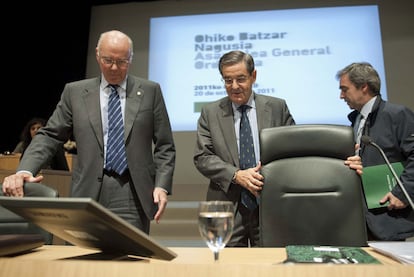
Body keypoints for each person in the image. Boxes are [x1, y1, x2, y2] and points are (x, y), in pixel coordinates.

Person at [2, 30, 176, 234]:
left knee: (129, 261)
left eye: (122, 62)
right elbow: (50, 135)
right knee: (81, 258)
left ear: (131, 58)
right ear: (97, 55)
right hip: (86, 191)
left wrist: (161, 186)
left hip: (132, 193)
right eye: (108, 60)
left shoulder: (149, 91)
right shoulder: (75, 92)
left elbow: (165, 146)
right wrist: (25, 170)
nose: (114, 67)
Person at [193, 50, 362, 247]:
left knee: (271, 263)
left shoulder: (277, 107)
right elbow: (203, 156)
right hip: (229, 204)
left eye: (240, 79)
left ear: (253, 76)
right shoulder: (210, 112)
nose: (234, 86)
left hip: (271, 201)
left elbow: (296, 150)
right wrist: (236, 175)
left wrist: (341, 159)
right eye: (228, 80)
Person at [336, 62, 414, 241]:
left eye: (344, 89)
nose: (341, 96)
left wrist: (403, 193)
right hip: (361, 219)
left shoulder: (397, 115)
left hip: (388, 216)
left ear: (363, 87)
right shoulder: (357, 119)